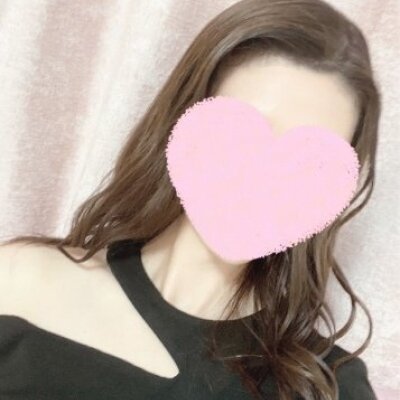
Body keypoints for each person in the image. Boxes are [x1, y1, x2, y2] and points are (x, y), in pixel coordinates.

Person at [0, 0, 380, 399]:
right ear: (182, 120)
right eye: (240, 131)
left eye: (311, 161)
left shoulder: (329, 385)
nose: (265, 176)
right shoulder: (21, 279)